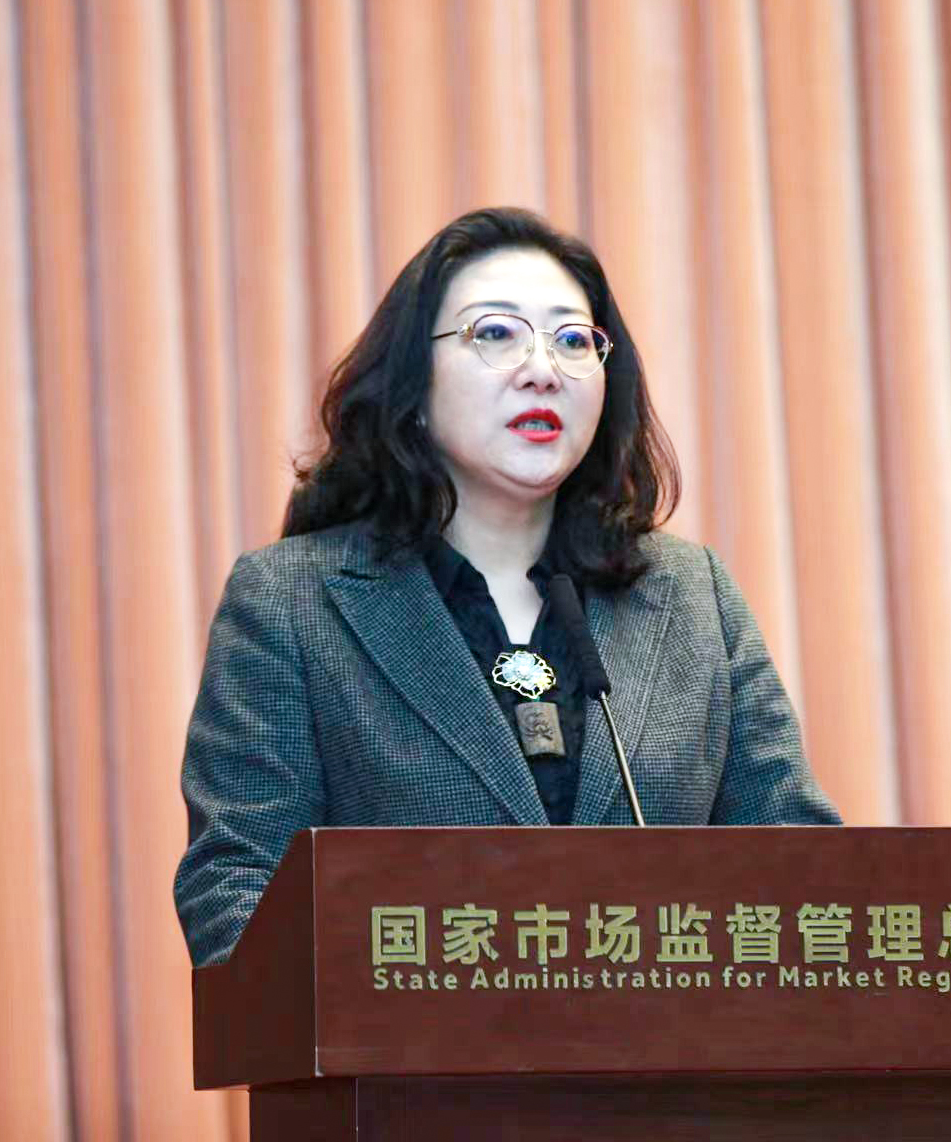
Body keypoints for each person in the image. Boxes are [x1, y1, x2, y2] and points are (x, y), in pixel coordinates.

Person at [174, 207, 840, 967]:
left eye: (572, 340)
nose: (542, 368)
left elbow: (801, 867)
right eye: (495, 333)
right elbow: (238, 884)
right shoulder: (292, 602)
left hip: (671, 1047)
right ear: (413, 384)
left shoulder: (693, 596)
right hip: (408, 1045)